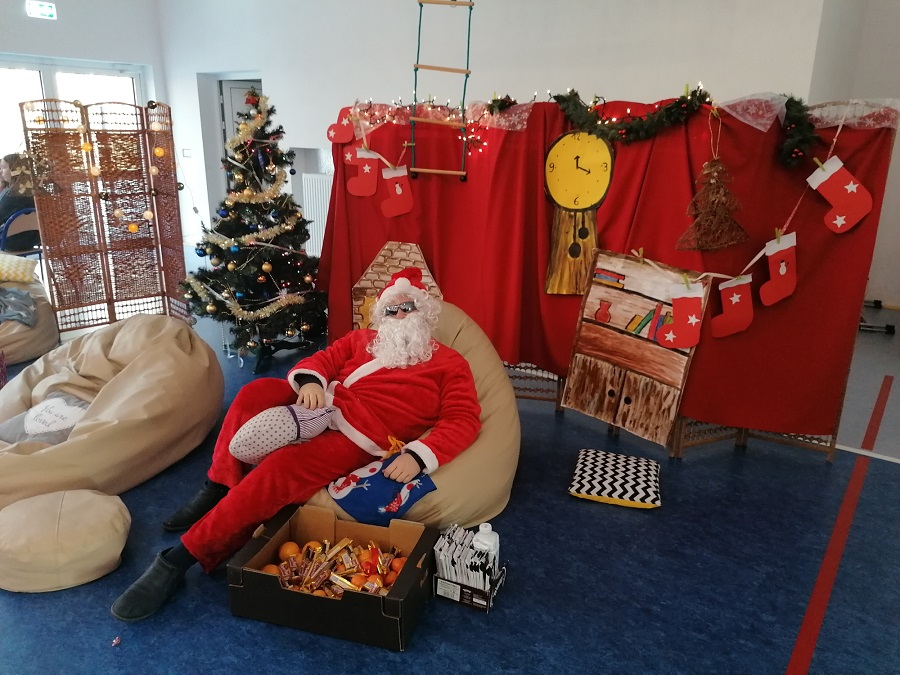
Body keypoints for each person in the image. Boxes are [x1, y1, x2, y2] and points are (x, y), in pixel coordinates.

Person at [111, 266, 482, 622]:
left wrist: (419, 456)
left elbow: (463, 418)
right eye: (391, 309)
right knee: (254, 393)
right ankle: (219, 486)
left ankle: (178, 559)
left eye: (408, 307)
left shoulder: (450, 364)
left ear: (424, 313)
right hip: (317, 404)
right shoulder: (361, 340)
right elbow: (324, 359)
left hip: (356, 436)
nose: (399, 315)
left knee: (281, 469)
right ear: (380, 315)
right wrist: (311, 382)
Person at [0, 153, 38, 251]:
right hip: (37, 238)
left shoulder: (12, 194)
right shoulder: (34, 190)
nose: (0, 171)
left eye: (3, 167)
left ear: (14, 169)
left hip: (9, 241)